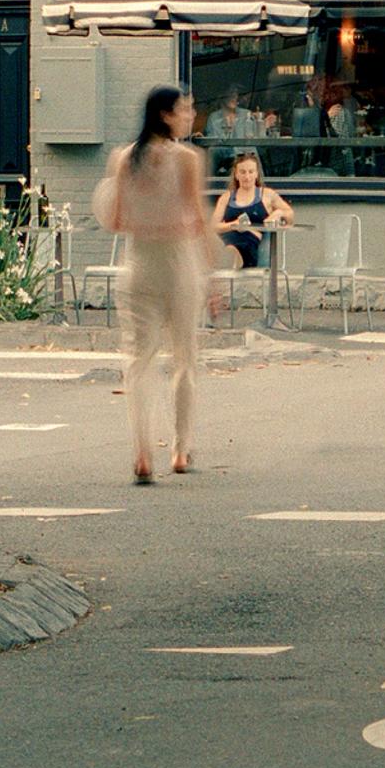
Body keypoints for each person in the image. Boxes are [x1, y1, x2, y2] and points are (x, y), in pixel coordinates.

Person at [94, 85, 214, 484]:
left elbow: (115, 221)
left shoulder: (123, 158)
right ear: (166, 114)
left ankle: (143, 452)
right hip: (178, 264)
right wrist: (211, 272)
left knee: (138, 360)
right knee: (184, 358)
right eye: (185, 109)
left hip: (138, 264)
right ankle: (180, 449)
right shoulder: (187, 159)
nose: (190, 115)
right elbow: (197, 219)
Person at [209, 150, 293, 323]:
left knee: (229, 252)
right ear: (236, 174)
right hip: (228, 236)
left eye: (250, 172)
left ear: (256, 174)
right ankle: (214, 290)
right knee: (215, 246)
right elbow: (213, 226)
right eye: (242, 172)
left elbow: (290, 214)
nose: (247, 176)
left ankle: (215, 293)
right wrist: (233, 225)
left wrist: (277, 214)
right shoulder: (227, 197)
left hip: (249, 243)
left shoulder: (266, 194)